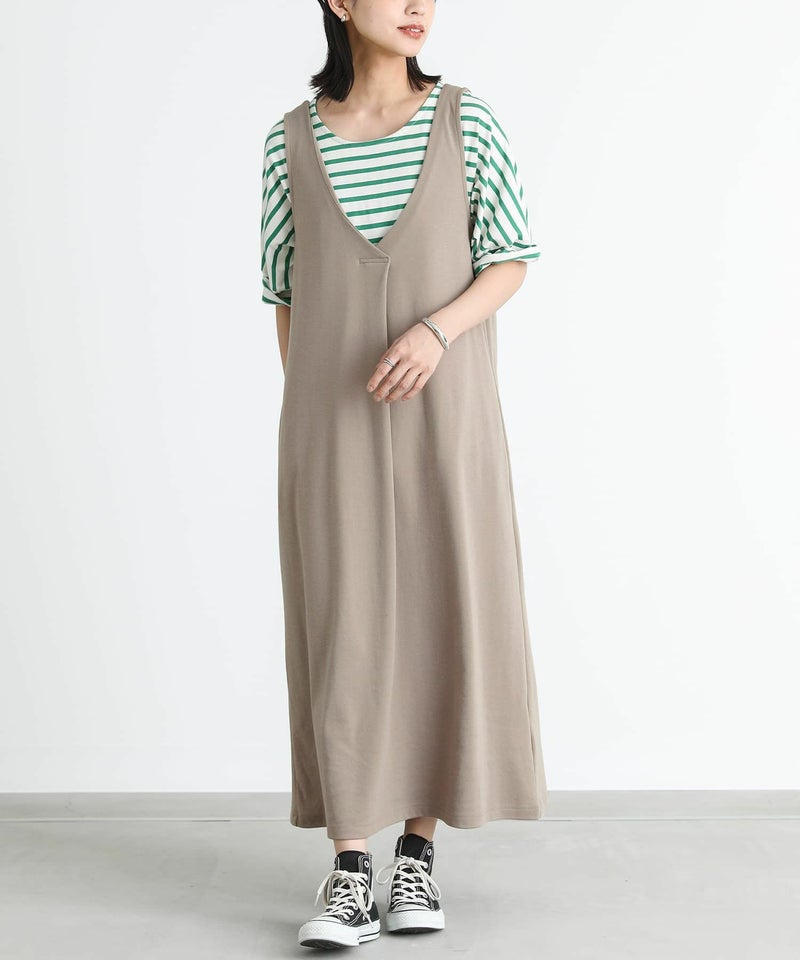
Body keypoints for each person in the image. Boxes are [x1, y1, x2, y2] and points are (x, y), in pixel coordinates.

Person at [260, 0, 548, 949]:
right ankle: (350, 867)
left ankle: (416, 855)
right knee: (342, 625)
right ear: (340, 1)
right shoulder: (289, 142)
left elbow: (509, 259)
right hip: (329, 424)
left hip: (447, 414)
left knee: (442, 609)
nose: (419, 3)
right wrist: (317, 410)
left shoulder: (468, 120)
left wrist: (435, 333)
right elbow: (284, 292)